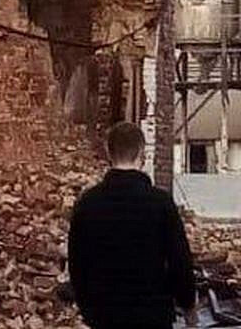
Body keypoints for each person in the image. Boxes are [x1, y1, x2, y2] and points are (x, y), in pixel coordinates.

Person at [68, 121, 198, 329]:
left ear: (108, 153)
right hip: (152, 316)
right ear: (142, 154)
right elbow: (179, 261)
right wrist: (188, 305)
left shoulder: (88, 204)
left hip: (104, 316)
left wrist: (88, 311)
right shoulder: (160, 202)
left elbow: (77, 265)